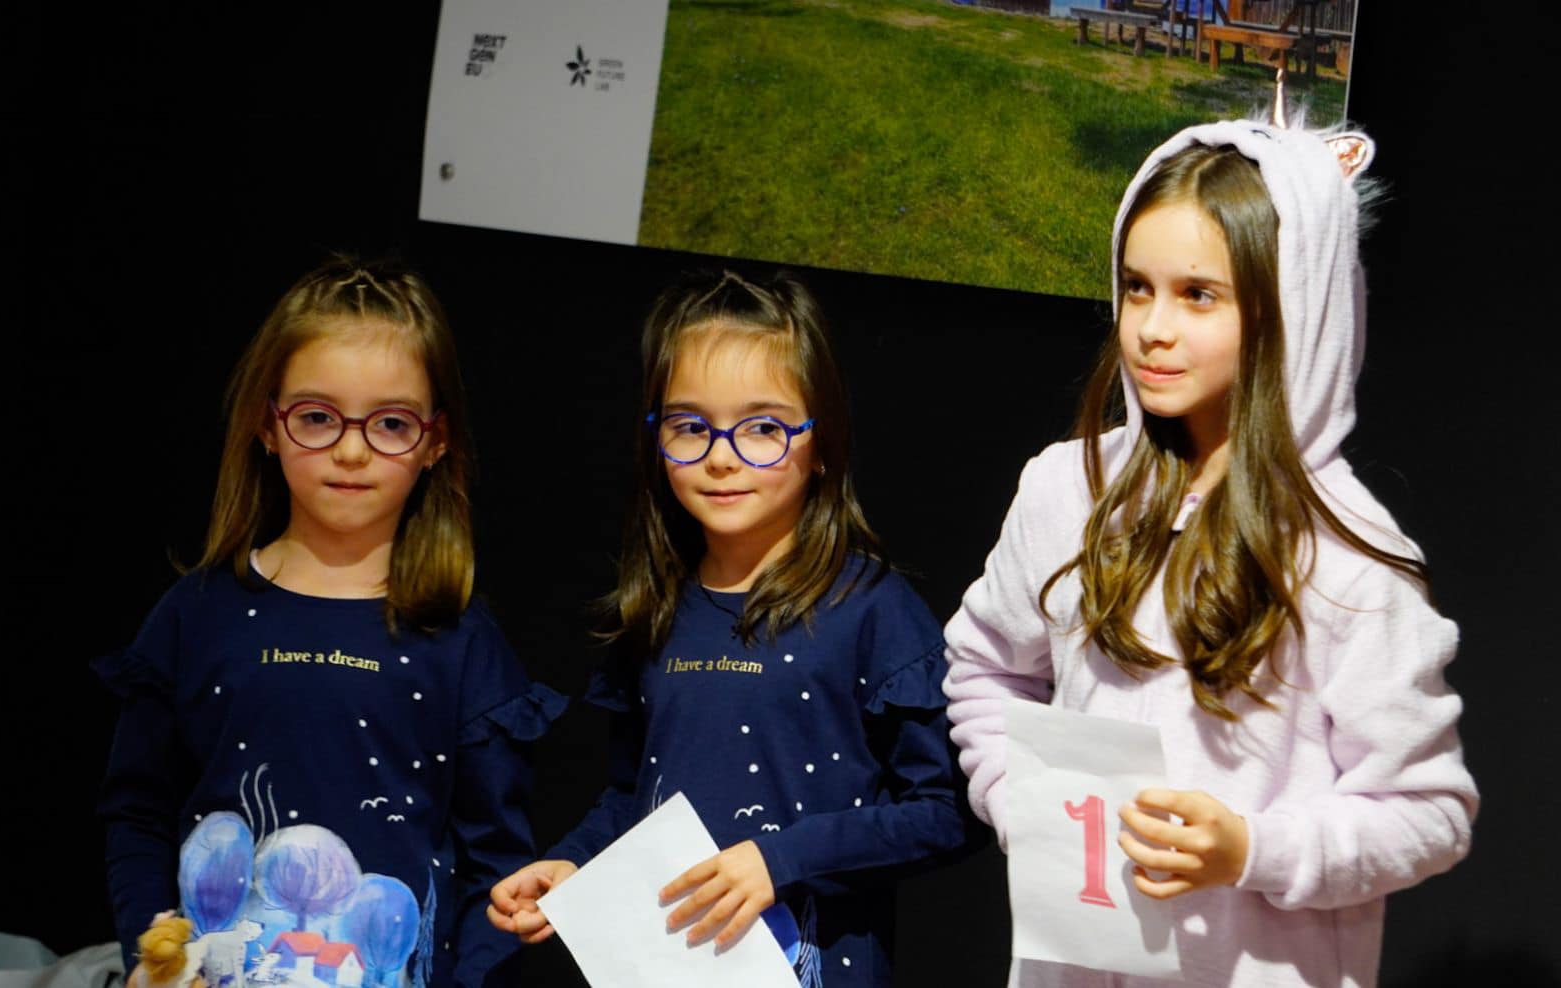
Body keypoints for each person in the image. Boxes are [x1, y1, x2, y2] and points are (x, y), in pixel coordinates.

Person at [942, 120, 1477, 986]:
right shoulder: (1064, 490)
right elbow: (985, 671)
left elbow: (1427, 813)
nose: (1152, 328)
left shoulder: (1351, 555)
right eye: (1136, 287)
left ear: (1289, 307)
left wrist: (1251, 850)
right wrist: (1028, 805)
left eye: (1198, 295)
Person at [487, 270, 969, 985]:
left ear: (823, 442)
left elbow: (946, 813)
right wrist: (574, 866)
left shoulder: (873, 610)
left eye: (764, 428)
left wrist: (781, 861)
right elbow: (634, 800)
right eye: (690, 426)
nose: (721, 456)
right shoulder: (657, 609)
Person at [95, 256, 562, 988]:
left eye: (391, 423)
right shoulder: (197, 614)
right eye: (317, 417)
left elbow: (495, 873)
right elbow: (138, 813)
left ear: (436, 441)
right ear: (268, 424)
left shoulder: (461, 643)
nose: (350, 449)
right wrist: (149, 953)